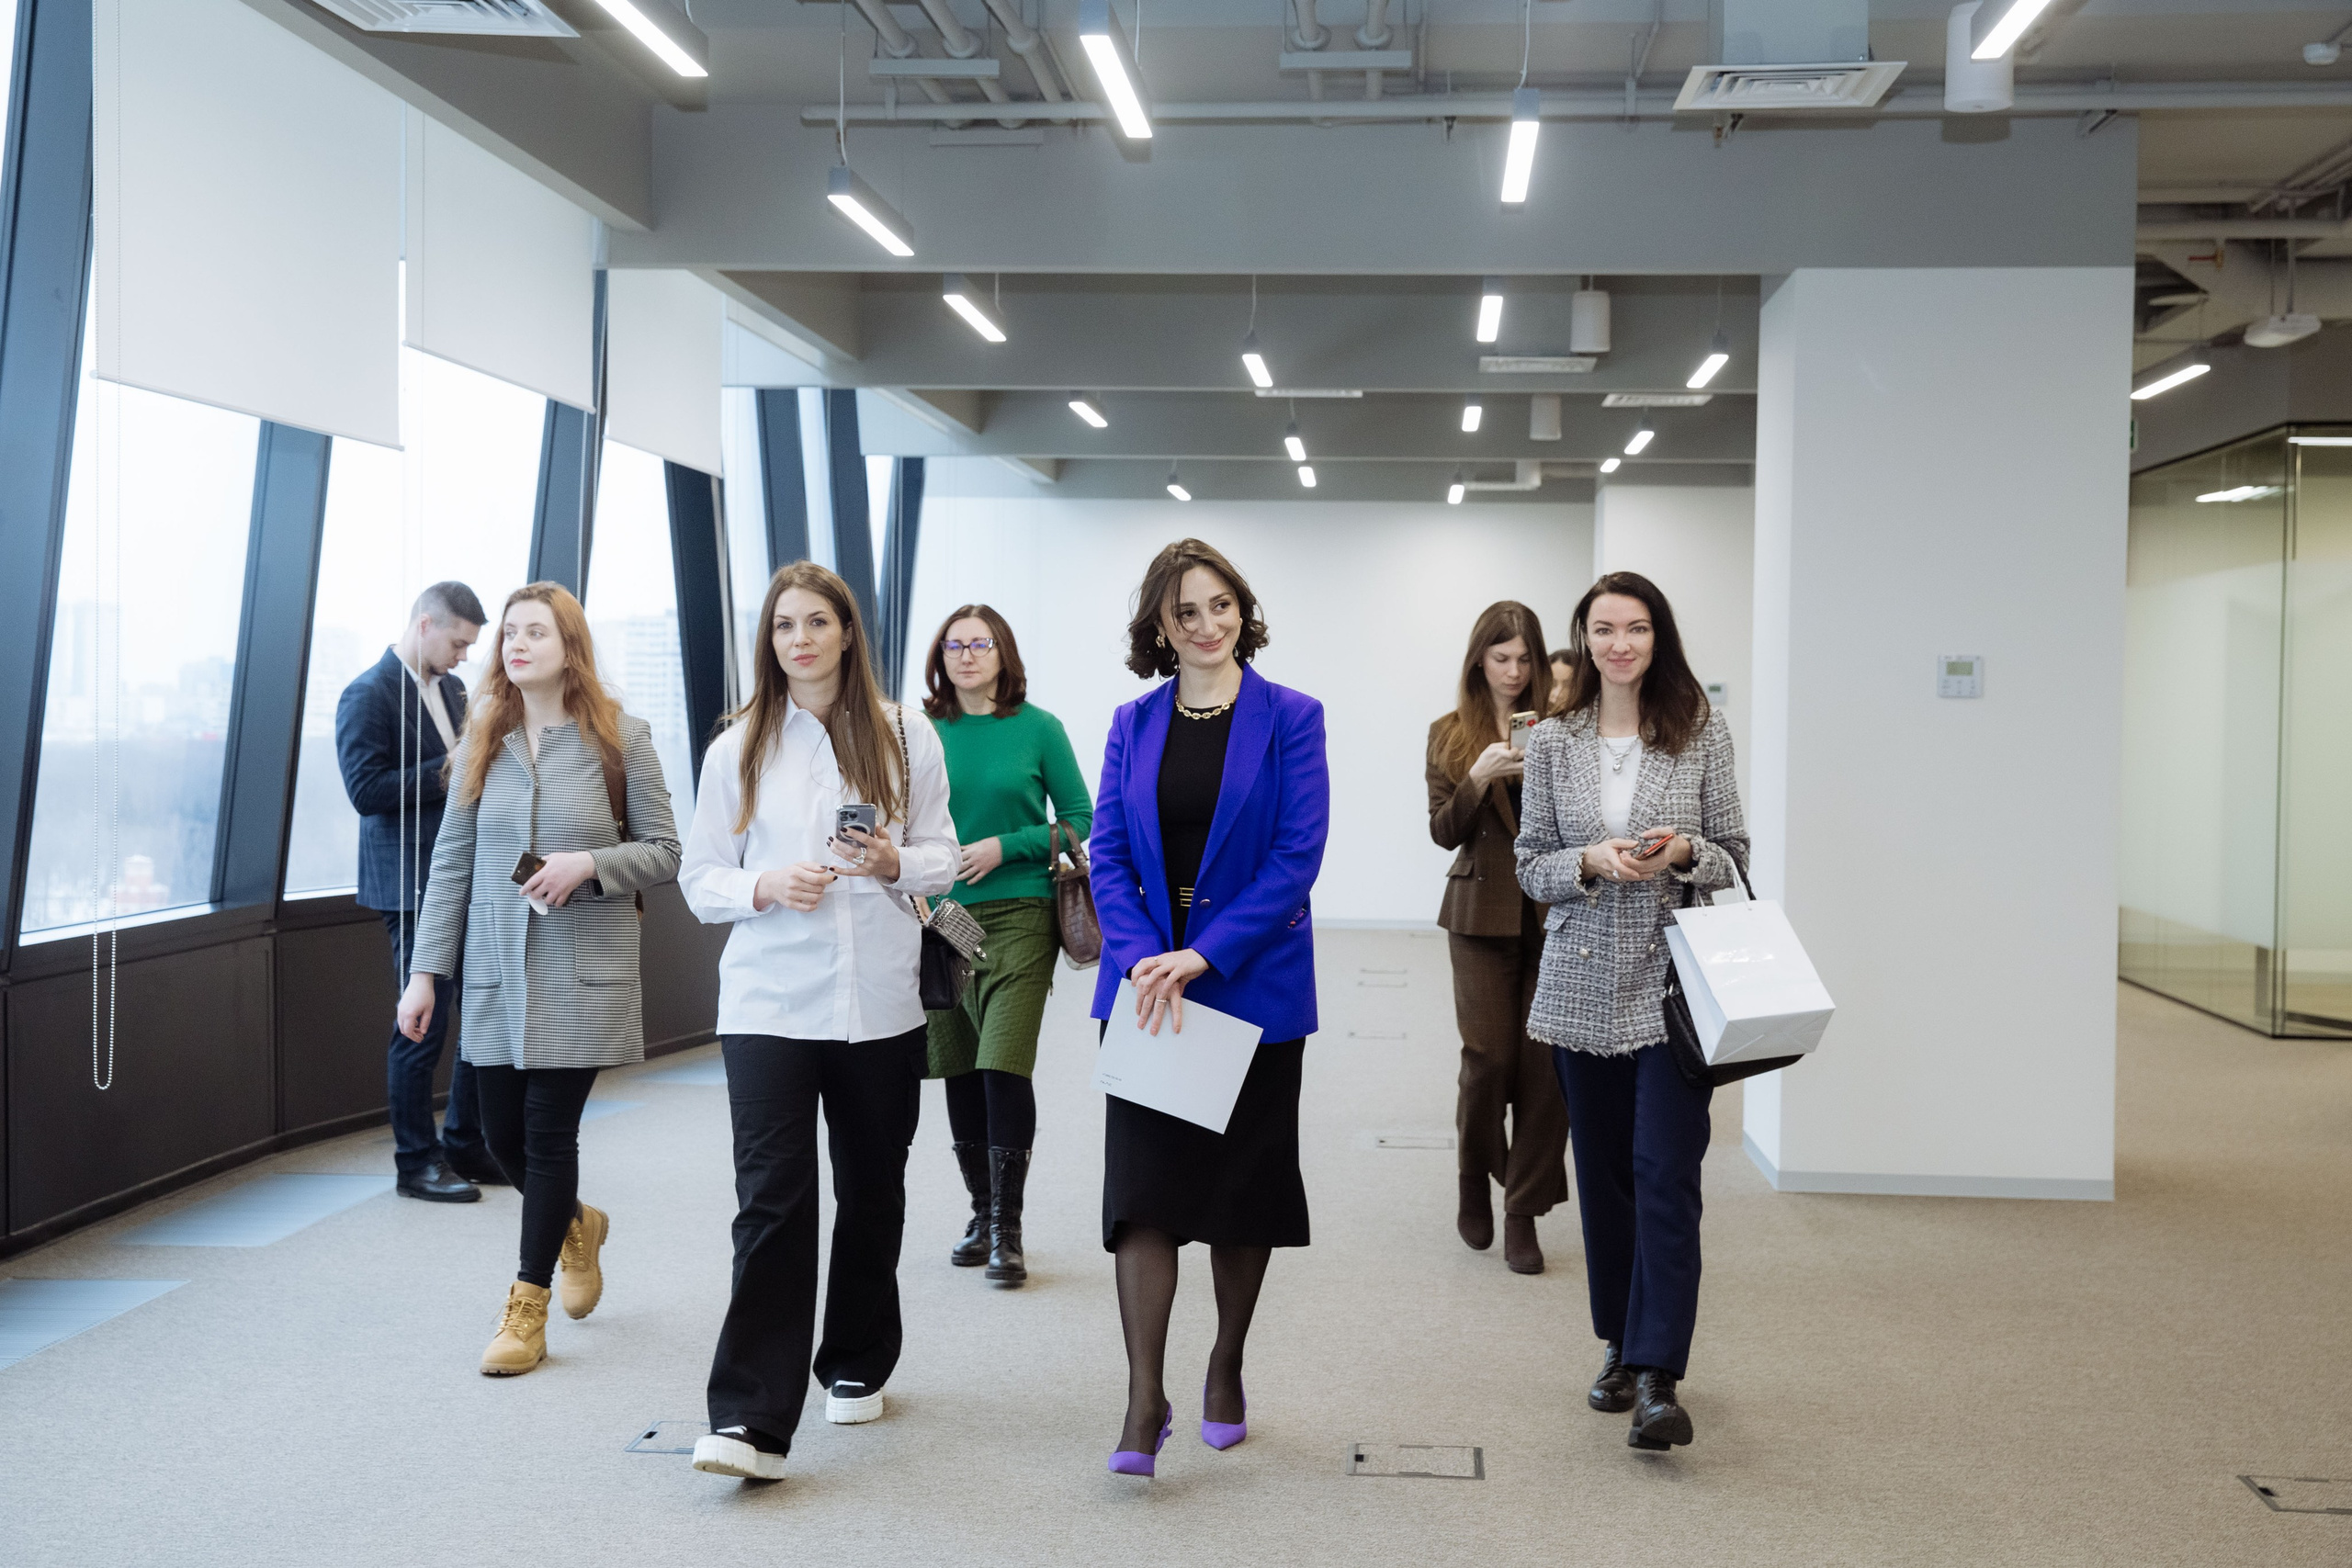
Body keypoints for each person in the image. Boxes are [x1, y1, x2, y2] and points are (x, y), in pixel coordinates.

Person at [680, 562, 958, 1484]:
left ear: (847, 632)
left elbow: (944, 861)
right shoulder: (738, 749)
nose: (798, 639)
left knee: (872, 1190)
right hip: (767, 1002)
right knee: (773, 1201)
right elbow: (700, 878)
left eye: (816, 622)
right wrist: (765, 884)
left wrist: (889, 862)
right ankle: (749, 1418)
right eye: (782, 625)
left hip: (878, 1003)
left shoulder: (905, 734)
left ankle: (854, 1356)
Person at [1089, 539, 1329, 1478]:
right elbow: (1107, 852)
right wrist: (1148, 956)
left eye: (1221, 606)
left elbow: (1294, 858)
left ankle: (1225, 1363)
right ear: (1161, 625)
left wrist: (1205, 952)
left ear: (1243, 612)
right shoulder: (1129, 723)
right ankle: (1144, 1397)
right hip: (1149, 995)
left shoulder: (1292, 719)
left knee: (1239, 1200)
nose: (1206, 625)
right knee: (1143, 1198)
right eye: (1185, 612)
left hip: (1249, 990)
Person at [396, 582, 681, 1378]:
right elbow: (451, 863)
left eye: (536, 632)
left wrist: (589, 864)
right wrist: (425, 974)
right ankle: (576, 1223)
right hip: (492, 970)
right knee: (495, 1135)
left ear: (570, 646)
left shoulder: (623, 737)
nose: (516, 645)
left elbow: (665, 850)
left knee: (549, 1135)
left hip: (580, 967)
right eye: (509, 634)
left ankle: (526, 1309)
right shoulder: (483, 735)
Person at [1514, 570, 1746, 1451]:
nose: (1621, 644)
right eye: (1605, 628)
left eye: (1638, 628)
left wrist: (1685, 850)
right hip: (1579, 985)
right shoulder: (1551, 743)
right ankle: (1617, 1340)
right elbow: (1531, 864)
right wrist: (1589, 863)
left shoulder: (1699, 731)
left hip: (1673, 987)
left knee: (1664, 1172)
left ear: (1660, 638)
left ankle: (1659, 1373)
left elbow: (1736, 855)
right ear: (1584, 636)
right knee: (1604, 1176)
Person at [920, 604, 1092, 1287]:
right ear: (942, 656)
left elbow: (1079, 818)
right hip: (942, 917)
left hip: (1023, 910)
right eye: (955, 644)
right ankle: (981, 1212)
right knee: (960, 1065)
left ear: (1003, 653)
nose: (967, 654)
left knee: (1002, 1062)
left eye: (980, 643)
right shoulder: (922, 732)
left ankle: (1009, 1230)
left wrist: (1006, 846)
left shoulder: (1039, 728)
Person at [337, 581, 496, 1203]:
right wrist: (451, 767)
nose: (463, 657)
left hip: (462, 877)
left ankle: (464, 1143)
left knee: (479, 1017)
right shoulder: (366, 693)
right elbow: (366, 791)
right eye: (458, 642)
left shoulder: (454, 690)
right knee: (421, 1027)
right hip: (408, 884)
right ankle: (414, 1162)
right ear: (425, 624)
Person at [1425, 602, 1570, 1274]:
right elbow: (1441, 831)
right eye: (1500, 657)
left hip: (1556, 913)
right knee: (1487, 1060)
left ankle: (1522, 1209)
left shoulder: (1567, 730)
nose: (1513, 672)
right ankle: (1470, 1174)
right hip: (1479, 911)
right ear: (1478, 659)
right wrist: (1479, 779)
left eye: (1524, 659)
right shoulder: (1449, 733)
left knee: (1545, 1070)